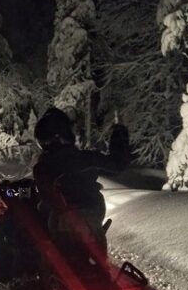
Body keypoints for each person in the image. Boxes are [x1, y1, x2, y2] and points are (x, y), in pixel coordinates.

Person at [33, 108, 130, 260]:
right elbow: (117, 164)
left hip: (62, 221)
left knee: (33, 227)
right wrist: (119, 134)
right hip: (93, 216)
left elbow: (45, 195)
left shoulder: (42, 167)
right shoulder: (86, 157)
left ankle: (28, 274)